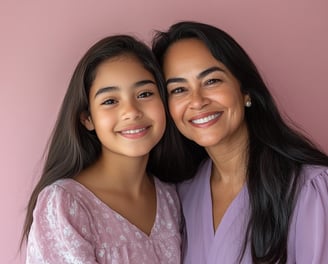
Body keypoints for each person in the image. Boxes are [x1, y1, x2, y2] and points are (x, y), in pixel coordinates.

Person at [152, 21, 328, 264]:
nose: (197, 101)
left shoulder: (310, 190)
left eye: (212, 81)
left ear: (245, 91)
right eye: (179, 89)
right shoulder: (181, 195)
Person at [21, 35, 181, 263]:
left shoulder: (171, 197)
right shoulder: (65, 205)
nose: (131, 111)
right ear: (87, 118)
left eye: (144, 94)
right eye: (110, 101)